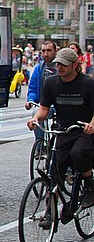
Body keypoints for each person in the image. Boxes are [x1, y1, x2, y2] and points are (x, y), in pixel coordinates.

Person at [27, 48, 94, 211]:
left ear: (74, 65)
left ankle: (90, 185)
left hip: (84, 130)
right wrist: (35, 119)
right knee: (56, 166)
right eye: (58, 64)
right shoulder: (51, 83)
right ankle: (51, 210)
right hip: (64, 130)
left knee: (78, 154)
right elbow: (44, 108)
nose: (60, 68)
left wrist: (92, 125)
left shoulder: (88, 83)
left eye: (64, 65)